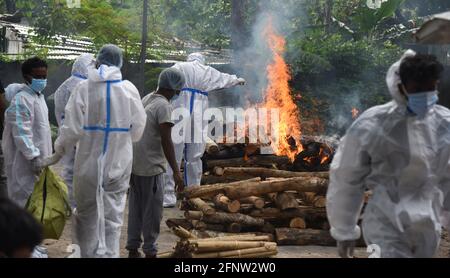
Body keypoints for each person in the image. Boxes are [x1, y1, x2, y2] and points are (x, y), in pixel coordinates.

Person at [326, 51, 450, 258]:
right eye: (418, 89)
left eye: (431, 87)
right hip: (385, 225)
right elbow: (346, 178)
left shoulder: (445, 124)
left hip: (429, 226)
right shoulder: (372, 124)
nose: (426, 95)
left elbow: (447, 176)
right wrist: (344, 230)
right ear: (400, 86)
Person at [53, 44, 147, 258]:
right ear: (120, 63)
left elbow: (71, 129)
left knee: (86, 216)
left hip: (87, 165)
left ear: (97, 61)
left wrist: (58, 149)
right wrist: (123, 137)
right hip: (118, 164)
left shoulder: (83, 88)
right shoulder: (129, 89)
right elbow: (138, 129)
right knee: (113, 218)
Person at [164, 52, 246, 207]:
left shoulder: (179, 66)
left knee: (174, 154)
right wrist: (237, 80)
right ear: (202, 60)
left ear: (190, 58)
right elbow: (223, 78)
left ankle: (167, 197)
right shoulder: (207, 70)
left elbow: (166, 80)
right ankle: (193, 193)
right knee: (194, 155)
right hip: (199, 111)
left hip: (179, 109)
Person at [127, 68, 186, 258]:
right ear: (174, 88)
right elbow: (166, 140)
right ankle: (150, 251)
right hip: (151, 167)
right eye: (178, 91)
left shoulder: (147, 98)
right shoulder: (163, 106)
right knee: (152, 212)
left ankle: (132, 248)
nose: (178, 94)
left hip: (135, 163)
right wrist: (176, 171)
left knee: (136, 208)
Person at [2, 57, 52, 208]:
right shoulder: (21, 100)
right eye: (37, 77)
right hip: (25, 163)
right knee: (23, 201)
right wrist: (33, 156)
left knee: (36, 204)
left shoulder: (38, 97)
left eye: (44, 77)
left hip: (40, 162)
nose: (42, 80)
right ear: (26, 77)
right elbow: (21, 132)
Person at [54, 53, 95, 207]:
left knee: (69, 171)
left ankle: (69, 203)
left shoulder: (63, 86)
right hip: (80, 135)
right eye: (92, 65)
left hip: (67, 133)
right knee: (79, 172)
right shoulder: (84, 87)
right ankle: (75, 204)